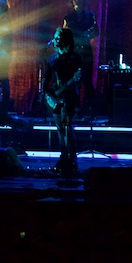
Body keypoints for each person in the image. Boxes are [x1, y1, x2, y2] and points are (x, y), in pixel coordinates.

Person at [43, 27, 83, 175]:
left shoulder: (74, 58)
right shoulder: (53, 58)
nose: (56, 39)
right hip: (55, 98)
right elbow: (47, 77)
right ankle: (63, 155)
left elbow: (78, 78)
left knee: (67, 127)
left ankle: (71, 157)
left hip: (69, 97)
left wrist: (65, 88)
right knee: (60, 128)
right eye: (55, 36)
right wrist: (45, 93)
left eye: (59, 36)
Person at [62, 0, 99, 111]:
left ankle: (91, 109)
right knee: (73, 80)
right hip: (73, 51)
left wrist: (87, 36)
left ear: (84, 1)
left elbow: (96, 31)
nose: (77, 1)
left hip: (86, 51)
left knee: (87, 79)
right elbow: (64, 32)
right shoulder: (68, 17)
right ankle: (75, 108)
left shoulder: (90, 15)